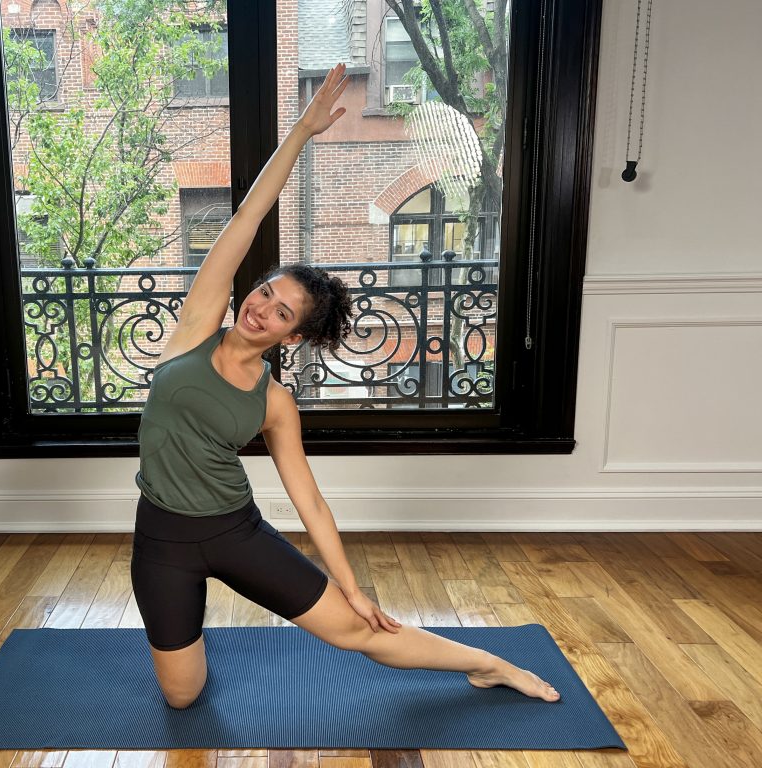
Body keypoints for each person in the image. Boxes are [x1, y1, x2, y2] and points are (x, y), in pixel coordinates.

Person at [130, 63, 560, 710]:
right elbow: (247, 216)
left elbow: (312, 504)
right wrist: (301, 134)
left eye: (282, 312)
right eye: (266, 291)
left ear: (293, 337)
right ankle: (189, 633)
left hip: (234, 533)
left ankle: (489, 663)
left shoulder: (273, 403)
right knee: (183, 697)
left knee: (361, 631)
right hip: (159, 538)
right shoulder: (197, 326)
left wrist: (351, 586)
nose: (261, 308)